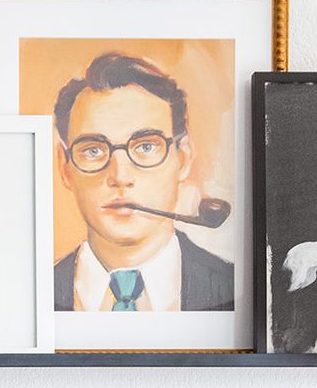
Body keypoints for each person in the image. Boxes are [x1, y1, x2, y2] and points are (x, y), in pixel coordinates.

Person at [52, 52, 233, 312]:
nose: (120, 177)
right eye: (93, 150)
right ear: (64, 167)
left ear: (182, 158)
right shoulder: (29, 296)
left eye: (146, 146)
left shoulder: (234, 290)